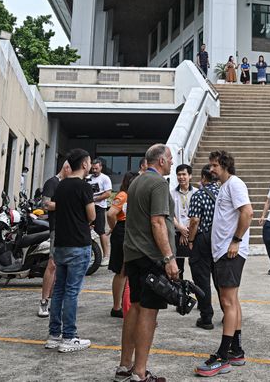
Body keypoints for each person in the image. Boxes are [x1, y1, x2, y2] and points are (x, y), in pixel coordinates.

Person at [115, 144, 179, 382]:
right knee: (149, 313)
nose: (172, 163)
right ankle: (140, 372)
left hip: (133, 254)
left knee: (135, 308)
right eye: (170, 159)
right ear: (161, 161)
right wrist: (169, 258)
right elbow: (157, 223)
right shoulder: (159, 183)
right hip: (151, 257)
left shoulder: (136, 182)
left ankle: (125, 366)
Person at [194, 150, 252, 377]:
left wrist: (236, 241)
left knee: (227, 303)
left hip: (231, 253)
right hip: (223, 253)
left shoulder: (235, 184)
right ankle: (236, 350)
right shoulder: (225, 186)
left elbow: (247, 212)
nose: (211, 169)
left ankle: (223, 355)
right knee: (232, 302)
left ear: (225, 166)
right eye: (210, 165)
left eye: (215, 165)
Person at [44, 149, 95, 353]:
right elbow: (91, 215)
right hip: (79, 244)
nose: (90, 165)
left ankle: (54, 335)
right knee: (72, 292)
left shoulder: (62, 184)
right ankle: (69, 337)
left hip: (61, 244)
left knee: (58, 291)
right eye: (89, 162)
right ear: (84, 164)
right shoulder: (84, 187)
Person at [188, 164, 221, 330]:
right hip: (220, 239)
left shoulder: (198, 195)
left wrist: (191, 240)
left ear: (203, 178)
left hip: (202, 238)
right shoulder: (223, 193)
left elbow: (194, 221)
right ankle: (229, 312)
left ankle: (206, 316)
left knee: (202, 278)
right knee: (220, 278)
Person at [38, 159, 72, 318]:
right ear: (66, 168)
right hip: (56, 229)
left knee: (61, 266)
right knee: (52, 264)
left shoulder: (68, 184)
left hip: (67, 229)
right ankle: (43, 301)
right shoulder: (52, 182)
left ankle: (54, 301)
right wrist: (67, 204)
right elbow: (46, 204)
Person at [108, 171, 138, 318]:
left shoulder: (132, 196)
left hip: (128, 231)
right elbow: (110, 214)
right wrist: (114, 228)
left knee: (125, 270)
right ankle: (116, 307)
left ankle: (121, 304)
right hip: (122, 230)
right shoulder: (123, 195)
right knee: (121, 271)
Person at [171, 164, 197, 279]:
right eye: (179, 174)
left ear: (190, 176)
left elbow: (197, 216)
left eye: (184, 174)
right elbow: (169, 214)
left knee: (196, 266)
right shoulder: (171, 193)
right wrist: (180, 229)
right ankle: (179, 293)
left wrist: (187, 231)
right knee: (178, 267)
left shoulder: (197, 192)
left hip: (193, 234)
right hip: (177, 233)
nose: (181, 177)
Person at [88, 159, 113, 258]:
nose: (94, 170)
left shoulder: (105, 178)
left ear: (101, 167)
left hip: (99, 207)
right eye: (93, 168)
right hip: (89, 207)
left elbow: (108, 193)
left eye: (96, 168)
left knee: (100, 230)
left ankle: (106, 255)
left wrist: (95, 199)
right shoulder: (88, 178)